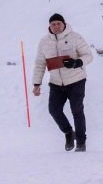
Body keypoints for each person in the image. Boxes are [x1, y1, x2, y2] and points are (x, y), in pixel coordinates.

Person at [32, 13, 93, 150]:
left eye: (58, 23)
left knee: (77, 110)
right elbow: (40, 64)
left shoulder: (75, 37)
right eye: (53, 24)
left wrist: (77, 62)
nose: (56, 26)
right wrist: (36, 84)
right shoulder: (44, 42)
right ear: (49, 26)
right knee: (54, 110)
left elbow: (88, 56)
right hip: (56, 83)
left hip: (76, 80)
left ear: (64, 24)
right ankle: (69, 132)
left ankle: (81, 142)